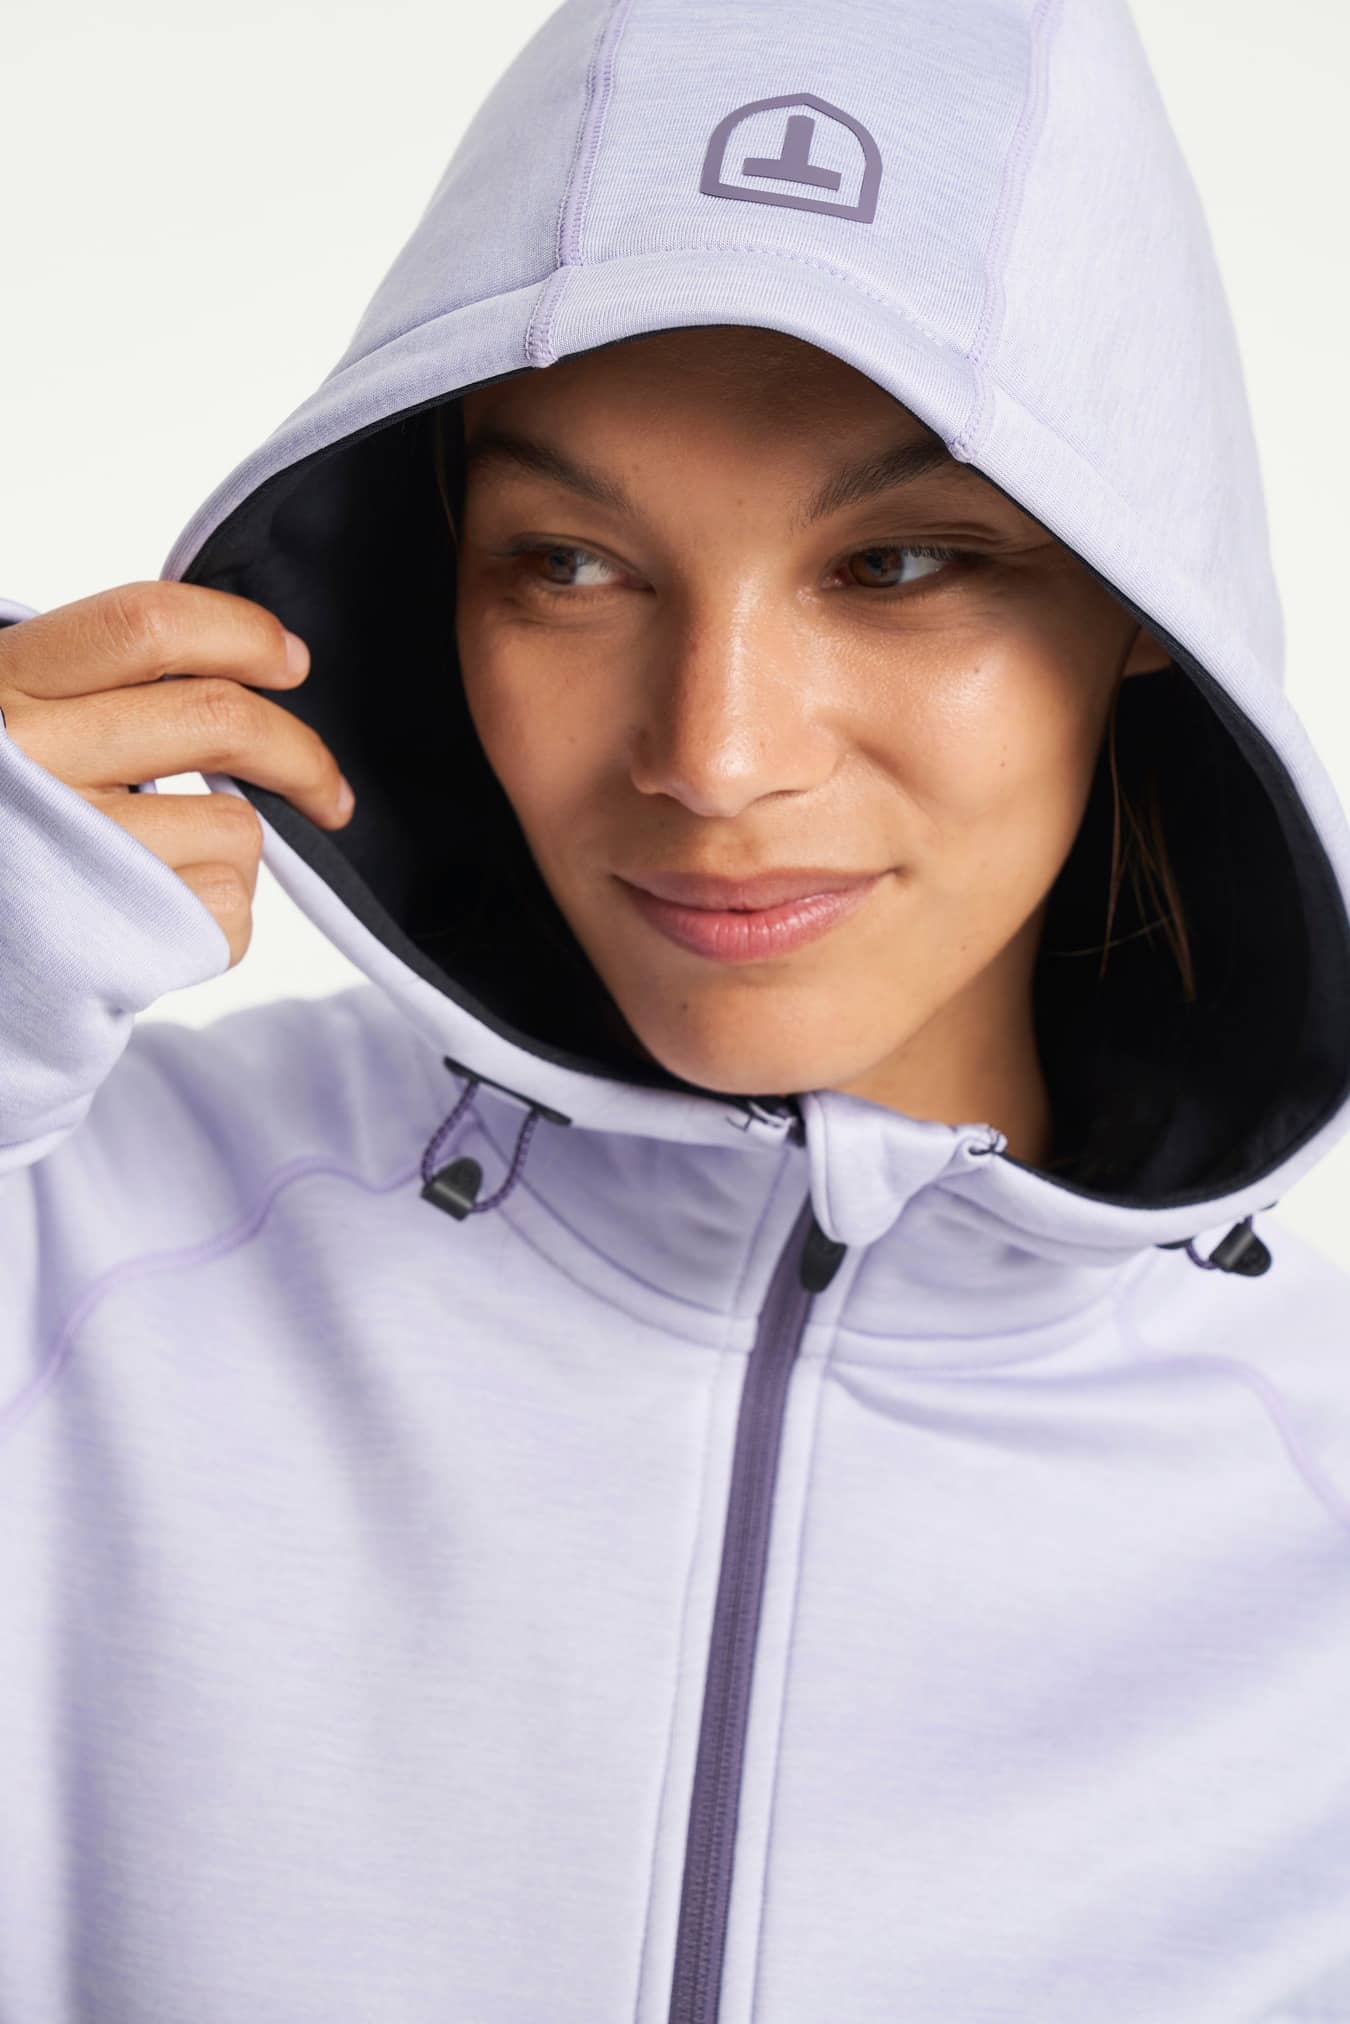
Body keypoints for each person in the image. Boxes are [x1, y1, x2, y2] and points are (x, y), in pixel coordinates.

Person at [2, 0, 1348, 2017]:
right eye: (566, 562)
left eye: (899, 562)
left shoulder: (1315, 1544)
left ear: (1145, 591)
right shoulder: (76, 1245)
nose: (713, 758)